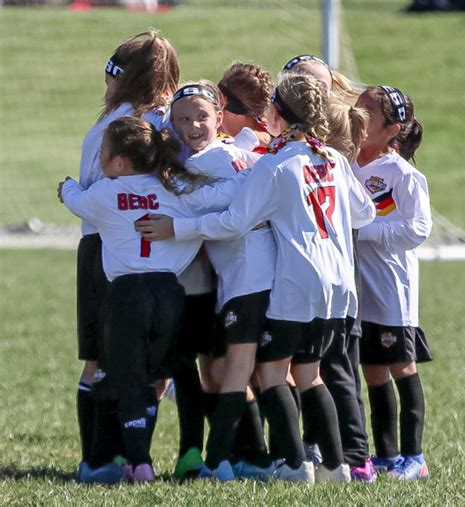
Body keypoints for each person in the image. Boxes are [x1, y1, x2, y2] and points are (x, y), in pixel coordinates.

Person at [146, 73, 376, 483]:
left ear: (277, 112)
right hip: (340, 282)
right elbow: (365, 213)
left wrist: (176, 226)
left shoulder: (274, 163)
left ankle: (280, 464)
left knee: (263, 372)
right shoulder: (332, 158)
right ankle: (334, 465)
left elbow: (235, 220)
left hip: (288, 279)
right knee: (308, 373)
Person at [58, 116, 249, 483]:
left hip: (126, 294)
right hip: (170, 294)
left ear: (120, 162)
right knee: (160, 373)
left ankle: (139, 461)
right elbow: (219, 198)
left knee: (129, 376)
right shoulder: (175, 190)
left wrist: (65, 186)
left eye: (103, 152)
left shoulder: (105, 193)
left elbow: (75, 200)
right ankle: (159, 456)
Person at [73, 30, 180, 480]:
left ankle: (100, 459)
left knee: (100, 359)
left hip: (105, 248)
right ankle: (133, 457)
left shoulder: (114, 126)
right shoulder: (170, 122)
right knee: (150, 366)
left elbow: (90, 190)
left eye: (109, 79)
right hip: (161, 253)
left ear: (120, 77)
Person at [171, 81, 276, 481]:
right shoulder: (235, 153)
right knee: (229, 371)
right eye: (183, 120)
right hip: (239, 278)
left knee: (240, 370)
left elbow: (196, 203)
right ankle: (256, 456)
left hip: (247, 276)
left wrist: (170, 219)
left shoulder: (204, 164)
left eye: (201, 116)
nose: (193, 126)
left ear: (219, 116)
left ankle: (239, 461)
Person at [282, 55, 376, 482]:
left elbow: (364, 211)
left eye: (315, 84)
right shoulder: (301, 148)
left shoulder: (330, 146)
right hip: (315, 275)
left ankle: (354, 455)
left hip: (332, 274)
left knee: (337, 367)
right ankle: (318, 449)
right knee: (308, 366)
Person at [353, 85, 433, 480]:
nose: (357, 114)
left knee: (402, 366)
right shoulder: (345, 162)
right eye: (358, 106)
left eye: (367, 111)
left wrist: (367, 233)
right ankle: (386, 454)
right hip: (357, 289)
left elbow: (418, 228)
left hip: (391, 289)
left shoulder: (401, 174)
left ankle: (414, 457)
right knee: (372, 370)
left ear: (392, 129)